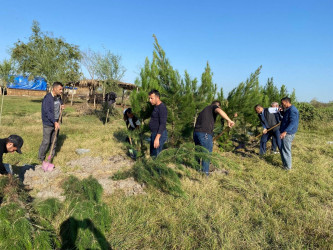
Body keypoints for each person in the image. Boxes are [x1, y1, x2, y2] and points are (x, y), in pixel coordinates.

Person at [194, 100, 235, 175]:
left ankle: (196, 169)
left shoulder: (205, 109)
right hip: (204, 133)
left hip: (196, 132)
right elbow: (219, 110)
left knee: (198, 151)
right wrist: (229, 120)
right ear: (218, 106)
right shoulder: (214, 107)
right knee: (206, 153)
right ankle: (205, 174)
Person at [38, 82, 64, 162]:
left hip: (56, 122)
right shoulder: (47, 98)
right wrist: (54, 122)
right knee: (46, 141)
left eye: (62, 89)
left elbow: (60, 103)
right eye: (60, 89)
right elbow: (47, 112)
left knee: (54, 140)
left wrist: (62, 106)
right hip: (48, 123)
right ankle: (40, 157)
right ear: (54, 89)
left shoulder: (59, 97)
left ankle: (50, 157)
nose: (61, 91)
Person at [279, 97, 299, 170]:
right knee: (284, 149)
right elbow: (286, 118)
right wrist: (281, 111)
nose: (282, 104)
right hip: (286, 132)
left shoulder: (292, 110)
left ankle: (288, 167)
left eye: (282, 103)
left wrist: (285, 132)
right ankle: (285, 165)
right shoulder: (288, 110)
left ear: (287, 102)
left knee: (286, 150)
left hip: (288, 133)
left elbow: (293, 122)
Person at [148, 89, 167, 157]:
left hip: (159, 134)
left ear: (157, 97)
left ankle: (156, 168)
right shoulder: (156, 107)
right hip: (154, 133)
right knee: (152, 154)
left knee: (156, 155)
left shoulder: (162, 108)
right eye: (149, 98)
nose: (150, 100)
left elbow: (163, 124)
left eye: (151, 98)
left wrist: (157, 138)